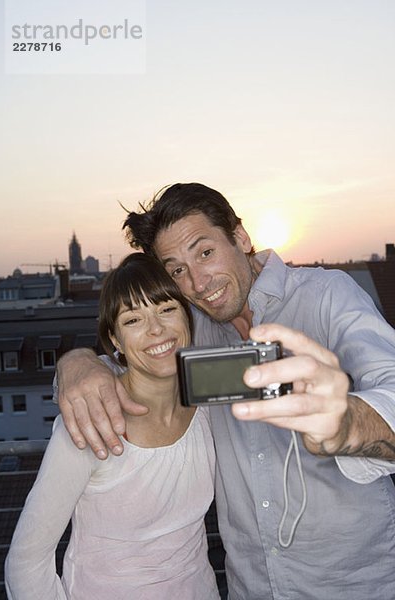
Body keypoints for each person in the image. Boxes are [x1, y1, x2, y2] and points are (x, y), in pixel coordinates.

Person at [56, 183, 395, 600]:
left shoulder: (328, 296)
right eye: (177, 270)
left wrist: (347, 423)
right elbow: (126, 365)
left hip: (354, 585)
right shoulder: (192, 330)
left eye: (205, 252)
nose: (198, 283)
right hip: (251, 587)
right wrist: (76, 364)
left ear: (240, 237)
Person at [5, 253, 220, 600]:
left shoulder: (210, 405)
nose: (156, 329)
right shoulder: (90, 424)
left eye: (167, 309)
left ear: (187, 317)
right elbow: (26, 562)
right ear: (115, 340)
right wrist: (74, 360)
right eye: (133, 319)